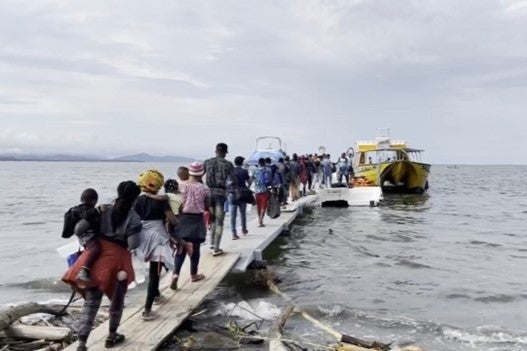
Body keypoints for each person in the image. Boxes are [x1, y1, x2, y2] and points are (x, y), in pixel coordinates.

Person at [62, 181, 142, 351]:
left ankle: (82, 343)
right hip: (117, 261)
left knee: (91, 303)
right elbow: (133, 244)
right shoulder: (134, 217)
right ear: (136, 198)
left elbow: (78, 230)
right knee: (117, 300)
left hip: (95, 259)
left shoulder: (103, 209)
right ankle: (112, 336)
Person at [134, 169, 178, 321]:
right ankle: (147, 310)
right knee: (155, 273)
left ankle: (157, 295)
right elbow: (172, 220)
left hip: (142, 237)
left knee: (153, 269)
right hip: (158, 237)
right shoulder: (162, 200)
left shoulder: (137, 200)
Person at [170, 161, 209, 290]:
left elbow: (173, 202)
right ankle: (193, 274)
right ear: (201, 173)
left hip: (181, 218)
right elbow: (207, 206)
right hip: (197, 219)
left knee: (180, 249)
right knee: (195, 250)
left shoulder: (180, 185)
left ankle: (175, 274)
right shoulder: (204, 188)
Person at [62, 188, 102, 283]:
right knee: (96, 249)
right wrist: (98, 210)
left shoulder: (84, 209)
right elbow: (86, 215)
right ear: (93, 200)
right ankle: (84, 270)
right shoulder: (80, 209)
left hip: (91, 235)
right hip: (86, 237)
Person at [203, 142, 237, 256]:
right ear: (225, 152)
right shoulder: (228, 164)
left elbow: (198, 176)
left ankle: (211, 243)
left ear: (216, 151)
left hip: (209, 193)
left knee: (211, 220)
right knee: (219, 222)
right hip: (220, 194)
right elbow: (233, 180)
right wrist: (232, 188)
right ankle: (216, 248)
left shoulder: (207, 162)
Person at [230, 156, 250, 237]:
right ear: (242, 162)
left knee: (233, 215)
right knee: (242, 213)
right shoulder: (244, 171)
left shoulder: (231, 171)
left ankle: (234, 233)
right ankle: (244, 230)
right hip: (242, 194)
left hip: (232, 194)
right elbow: (249, 182)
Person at [251, 157, 272, 227]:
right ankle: (261, 220)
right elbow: (270, 180)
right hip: (265, 190)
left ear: (258, 163)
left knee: (258, 206)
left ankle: (259, 218)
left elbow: (251, 180)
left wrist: (248, 188)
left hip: (256, 191)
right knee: (264, 206)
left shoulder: (254, 170)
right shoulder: (268, 170)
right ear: (264, 163)